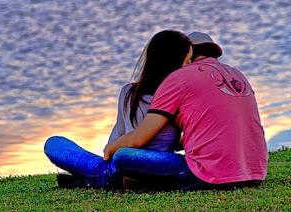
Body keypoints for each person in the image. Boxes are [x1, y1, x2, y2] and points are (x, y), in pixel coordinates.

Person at [104, 32, 268, 191]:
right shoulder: (237, 75)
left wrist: (111, 148)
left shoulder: (180, 77)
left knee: (124, 155)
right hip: (255, 174)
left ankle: (137, 180)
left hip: (210, 177)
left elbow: (138, 138)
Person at [44, 30, 193, 189]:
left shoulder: (181, 95)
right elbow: (118, 134)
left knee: (124, 156)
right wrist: (111, 153)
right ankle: (111, 176)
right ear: (171, 62)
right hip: (125, 160)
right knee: (54, 143)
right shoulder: (129, 93)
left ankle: (99, 178)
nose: (192, 66)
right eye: (188, 61)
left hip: (154, 162)